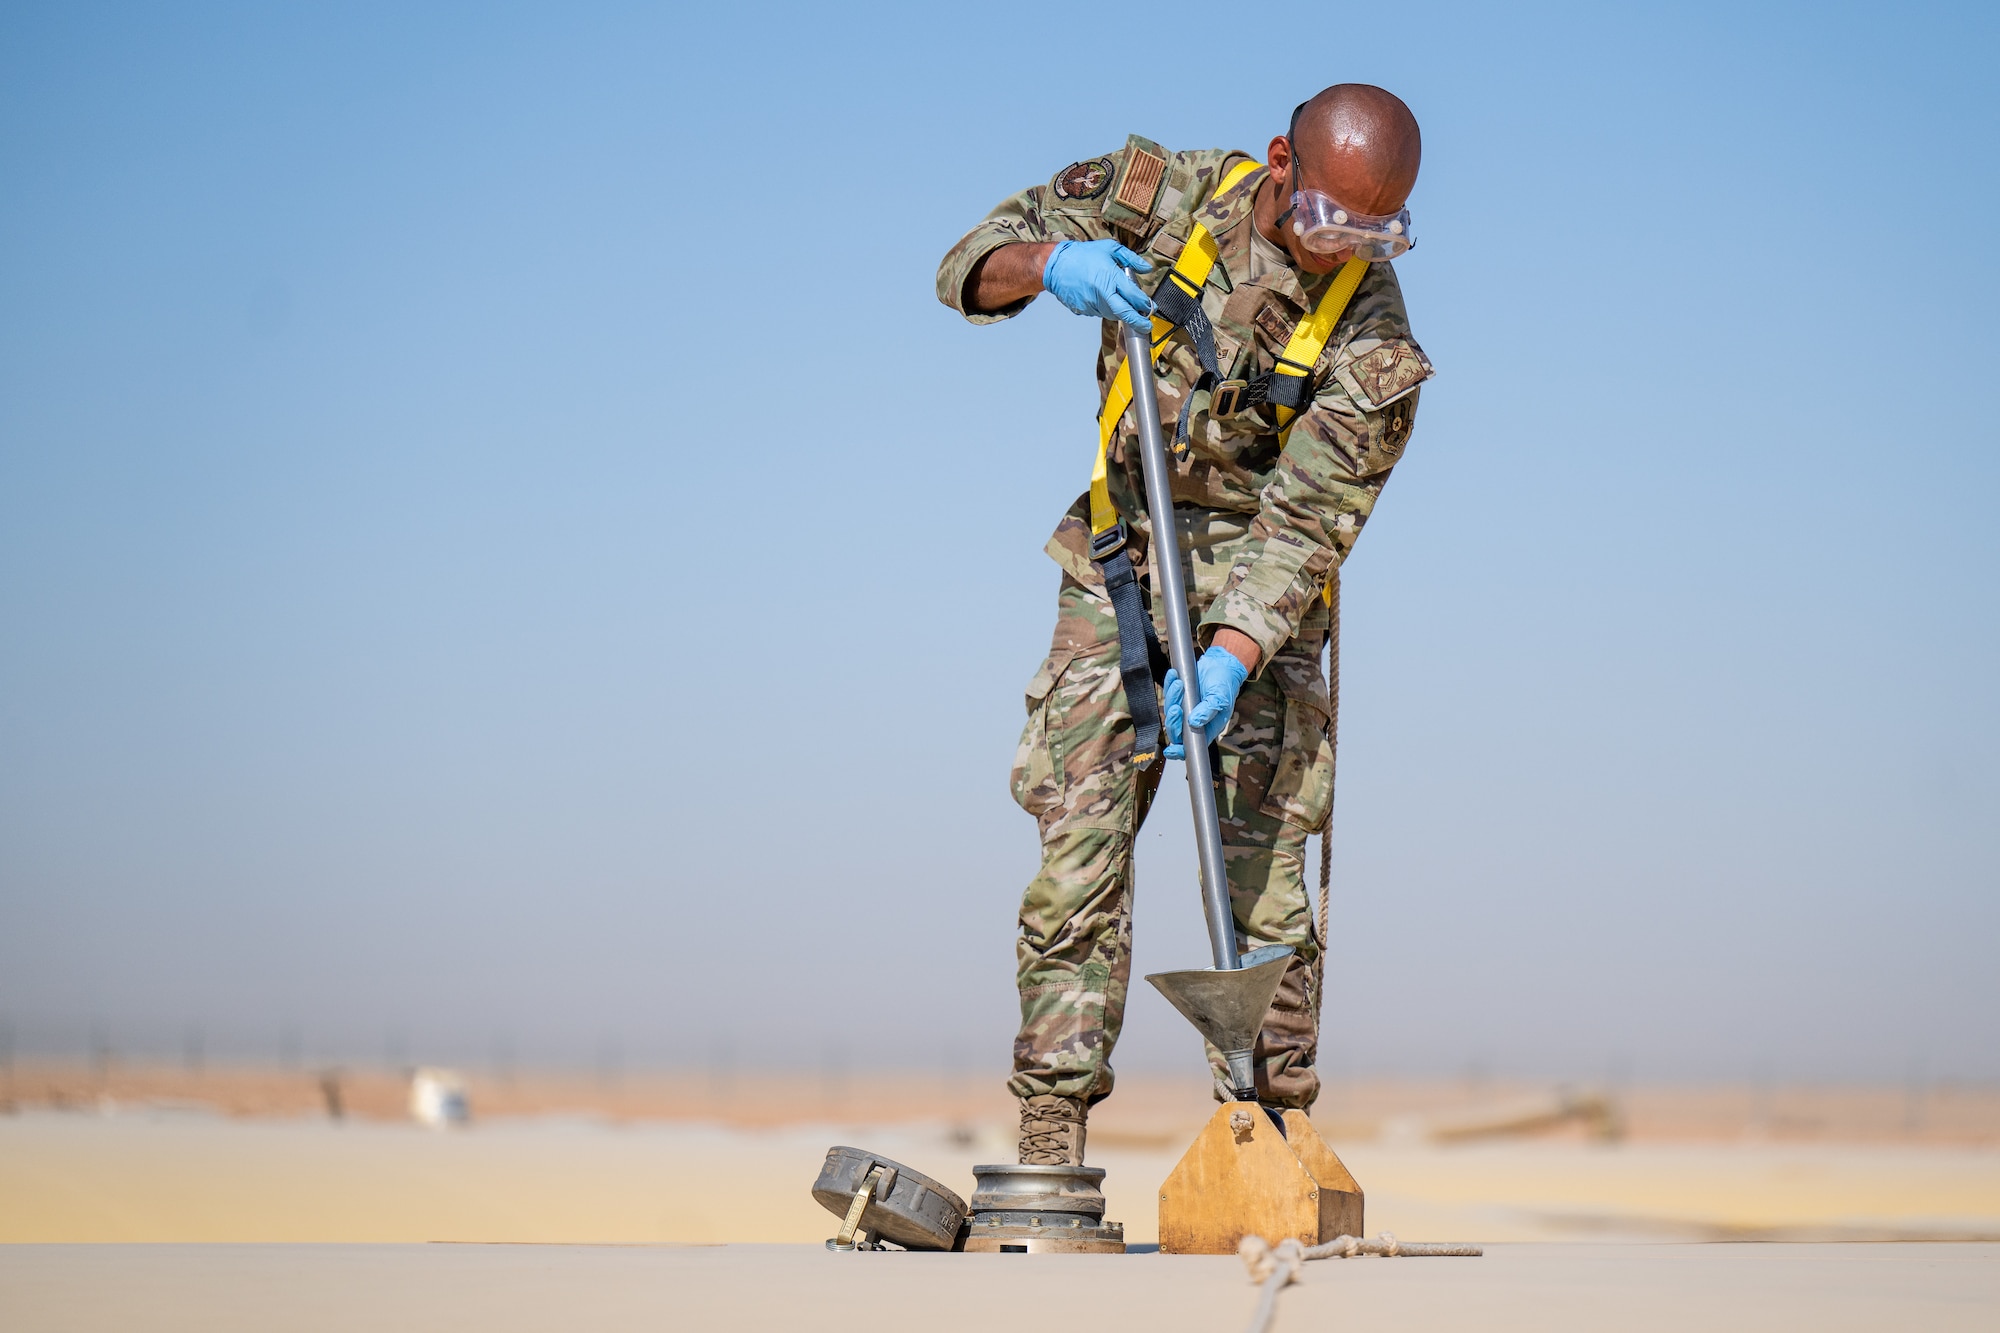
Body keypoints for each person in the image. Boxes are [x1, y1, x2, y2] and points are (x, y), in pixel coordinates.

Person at [936, 84, 1432, 1167]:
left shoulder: (1374, 336)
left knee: (1263, 881)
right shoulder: (1160, 197)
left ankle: (1269, 1137)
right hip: (1119, 565)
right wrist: (1047, 268)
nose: (1341, 248)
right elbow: (965, 263)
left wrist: (1233, 652)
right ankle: (1051, 1132)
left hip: (1262, 597)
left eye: (1374, 229)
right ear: (1277, 165)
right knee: (1078, 848)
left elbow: (1309, 520)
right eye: (1326, 219)